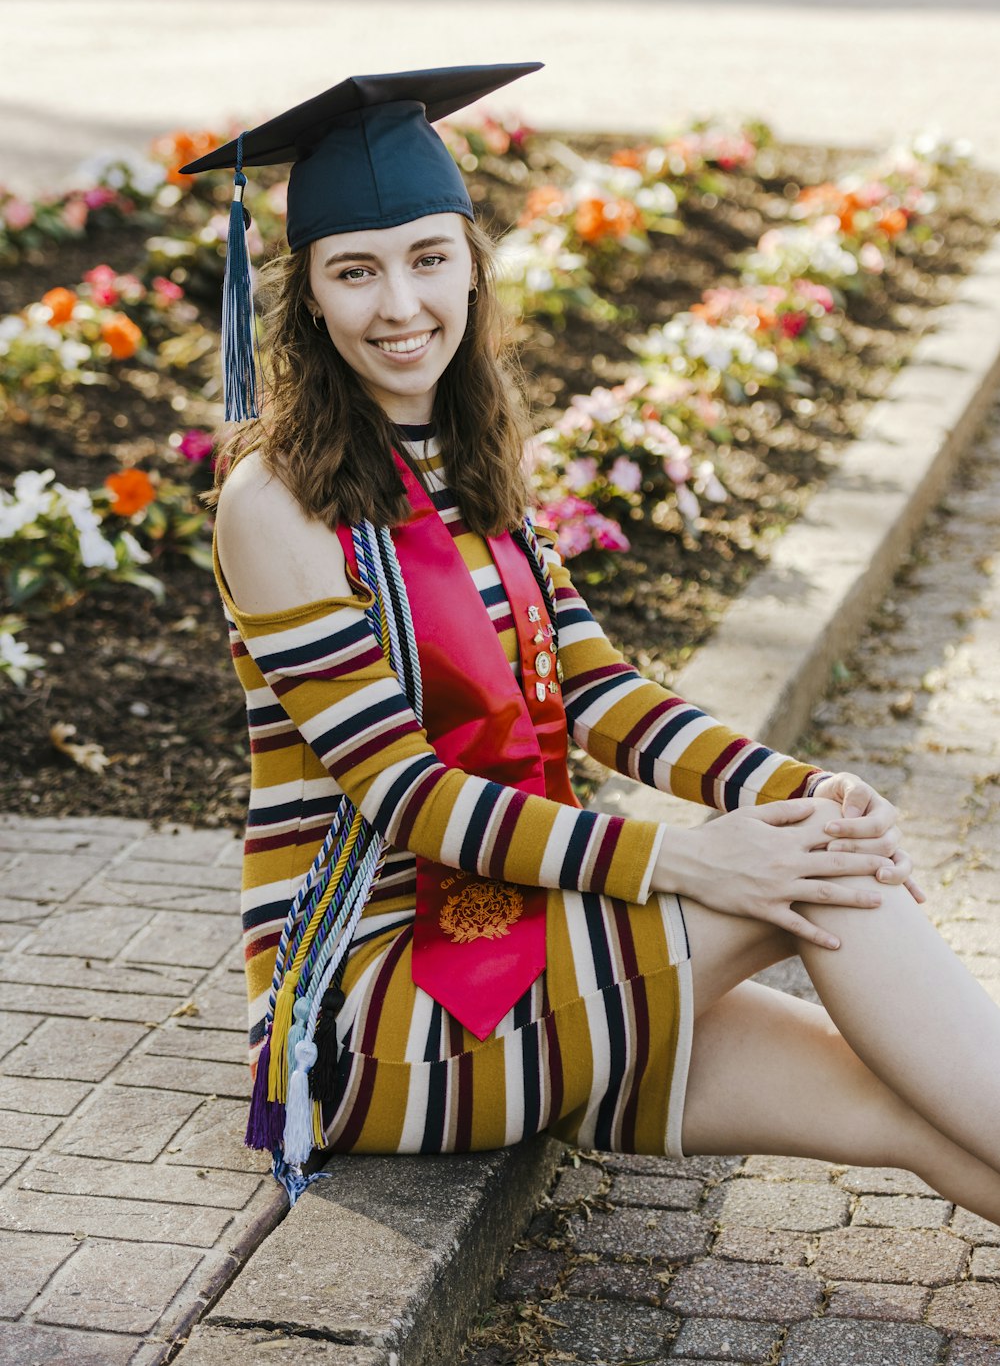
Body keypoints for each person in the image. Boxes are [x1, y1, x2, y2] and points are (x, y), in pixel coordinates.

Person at [186, 63, 1000, 1216]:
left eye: (427, 258)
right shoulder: (273, 504)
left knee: (907, 1111)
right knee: (829, 883)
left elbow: (600, 689)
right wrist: (692, 856)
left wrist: (796, 782)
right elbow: (403, 796)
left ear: (471, 262)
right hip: (372, 1016)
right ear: (308, 298)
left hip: (523, 945)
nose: (399, 304)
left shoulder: (473, 465)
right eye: (355, 272)